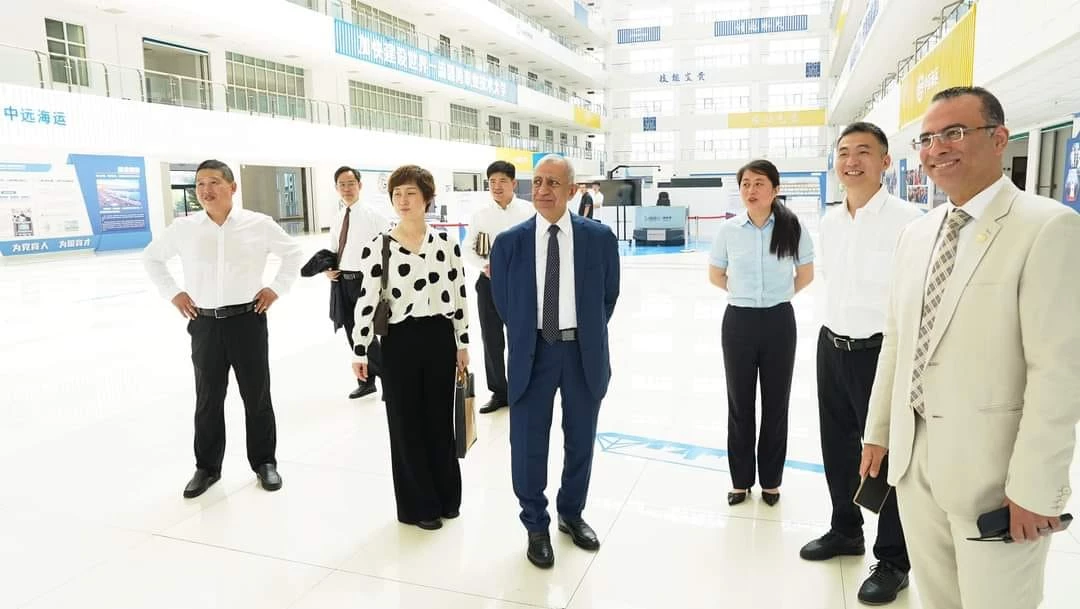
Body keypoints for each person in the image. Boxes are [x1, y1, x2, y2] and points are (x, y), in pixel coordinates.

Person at [861, 86, 1080, 609]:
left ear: (999, 138)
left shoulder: (1047, 227)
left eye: (955, 133)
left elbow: (1058, 371)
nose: (938, 148)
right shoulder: (917, 235)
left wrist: (1035, 487)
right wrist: (879, 433)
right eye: (928, 138)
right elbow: (898, 341)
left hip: (995, 476)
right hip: (915, 467)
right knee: (939, 601)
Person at [799, 123, 919, 605]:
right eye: (844, 153)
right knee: (838, 447)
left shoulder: (911, 220)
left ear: (885, 162)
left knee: (886, 457)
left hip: (881, 354)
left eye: (863, 152)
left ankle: (892, 559)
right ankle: (845, 530)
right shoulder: (829, 221)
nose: (851, 161)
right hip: (832, 348)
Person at [142, 159, 303, 498]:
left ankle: (264, 462)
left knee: (256, 396)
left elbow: (293, 254)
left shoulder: (258, 224)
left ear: (232, 187)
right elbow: (152, 258)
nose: (205, 190)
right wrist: (174, 293)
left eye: (214, 182)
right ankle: (207, 468)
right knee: (208, 398)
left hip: (248, 320)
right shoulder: (185, 228)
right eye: (200, 184)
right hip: (204, 325)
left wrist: (276, 288)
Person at [490, 154, 620, 569]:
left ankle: (571, 513)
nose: (543, 190)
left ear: (571, 190)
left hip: (583, 353)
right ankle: (535, 524)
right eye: (538, 182)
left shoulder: (598, 238)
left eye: (553, 184)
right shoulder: (510, 242)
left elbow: (608, 296)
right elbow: (504, 304)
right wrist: (535, 335)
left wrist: (579, 332)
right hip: (534, 354)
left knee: (580, 440)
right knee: (527, 443)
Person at [350, 164, 471, 531]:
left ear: (427, 199)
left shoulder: (446, 244)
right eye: (397, 194)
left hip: (439, 337)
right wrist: (360, 349)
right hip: (399, 341)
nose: (403, 201)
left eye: (411, 194)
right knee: (405, 423)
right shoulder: (380, 246)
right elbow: (367, 301)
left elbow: (460, 295)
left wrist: (462, 342)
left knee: (438, 420)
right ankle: (419, 505)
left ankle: (447, 497)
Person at [708, 159, 814, 507]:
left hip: (779, 322)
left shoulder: (792, 226)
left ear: (775, 189)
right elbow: (716, 276)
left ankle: (771, 481)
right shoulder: (729, 231)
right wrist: (746, 296)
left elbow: (806, 274)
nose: (751, 191)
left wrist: (775, 298)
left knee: (775, 403)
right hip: (738, 321)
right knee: (739, 403)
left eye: (758, 184)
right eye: (745, 184)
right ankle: (740, 481)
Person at [462, 161, 534, 414]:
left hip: (521, 284)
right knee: (490, 338)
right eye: (492, 182)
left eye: (502, 181)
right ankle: (499, 391)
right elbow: (467, 248)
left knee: (521, 337)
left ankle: (521, 387)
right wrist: (483, 266)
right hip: (489, 283)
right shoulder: (480, 214)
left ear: (514, 183)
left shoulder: (528, 211)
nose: (496, 186)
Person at [326, 166, 391, 399]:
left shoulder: (375, 216)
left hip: (366, 281)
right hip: (343, 282)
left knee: (368, 332)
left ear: (360, 186)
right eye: (342, 184)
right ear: (336, 188)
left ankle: (390, 378)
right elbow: (334, 248)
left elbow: (388, 249)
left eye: (351, 183)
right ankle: (366, 381)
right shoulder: (337, 217)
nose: (346, 188)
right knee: (351, 331)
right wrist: (329, 269)